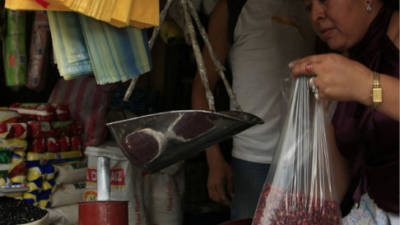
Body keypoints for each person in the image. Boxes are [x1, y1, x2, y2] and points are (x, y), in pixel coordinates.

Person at [191, 0, 315, 219]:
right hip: (252, 161)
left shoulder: (314, 8)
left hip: (305, 160)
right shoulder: (233, 9)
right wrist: (214, 159)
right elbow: (202, 88)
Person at [289, 0, 399, 224]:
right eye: (309, 7)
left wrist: (368, 87)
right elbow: (338, 176)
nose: (316, 15)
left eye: (325, 0)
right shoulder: (344, 61)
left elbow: (374, 92)